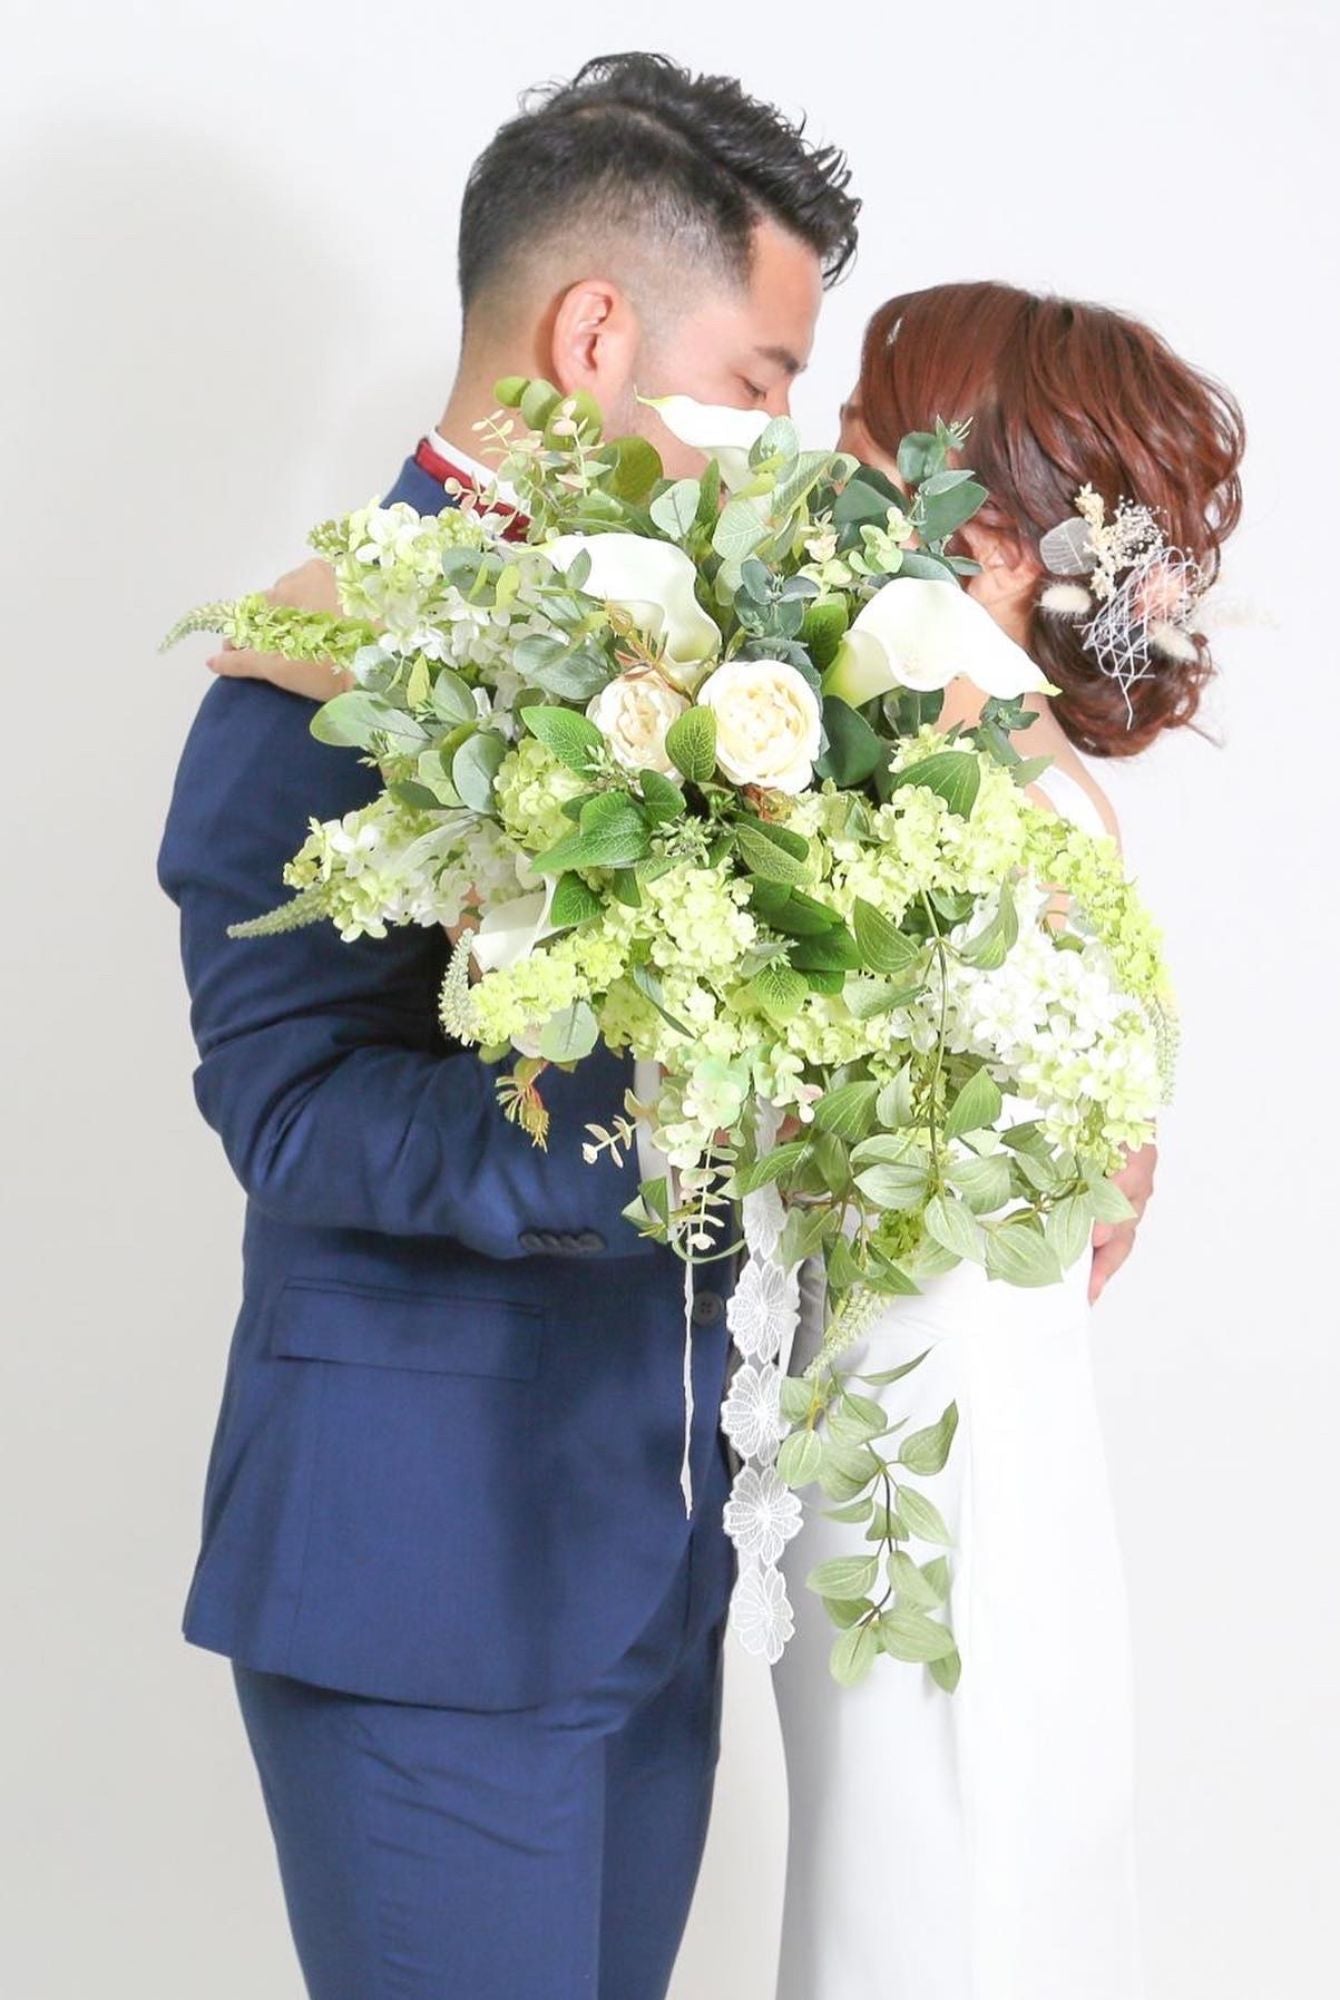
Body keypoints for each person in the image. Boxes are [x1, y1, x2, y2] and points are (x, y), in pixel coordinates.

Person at [157, 54, 858, 2000]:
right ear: (595, 331)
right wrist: (648, 1131)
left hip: (643, 1553)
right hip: (423, 1583)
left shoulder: (700, 649)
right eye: (763, 380)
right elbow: (289, 1102)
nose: (781, 442)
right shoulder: (321, 650)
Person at [771, 281, 1244, 1999]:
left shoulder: (922, 727)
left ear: (978, 528)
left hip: (923, 1406)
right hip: (970, 1394)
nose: (815, 468)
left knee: (929, 1858)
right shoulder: (1005, 750)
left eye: (857, 437)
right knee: (981, 1841)